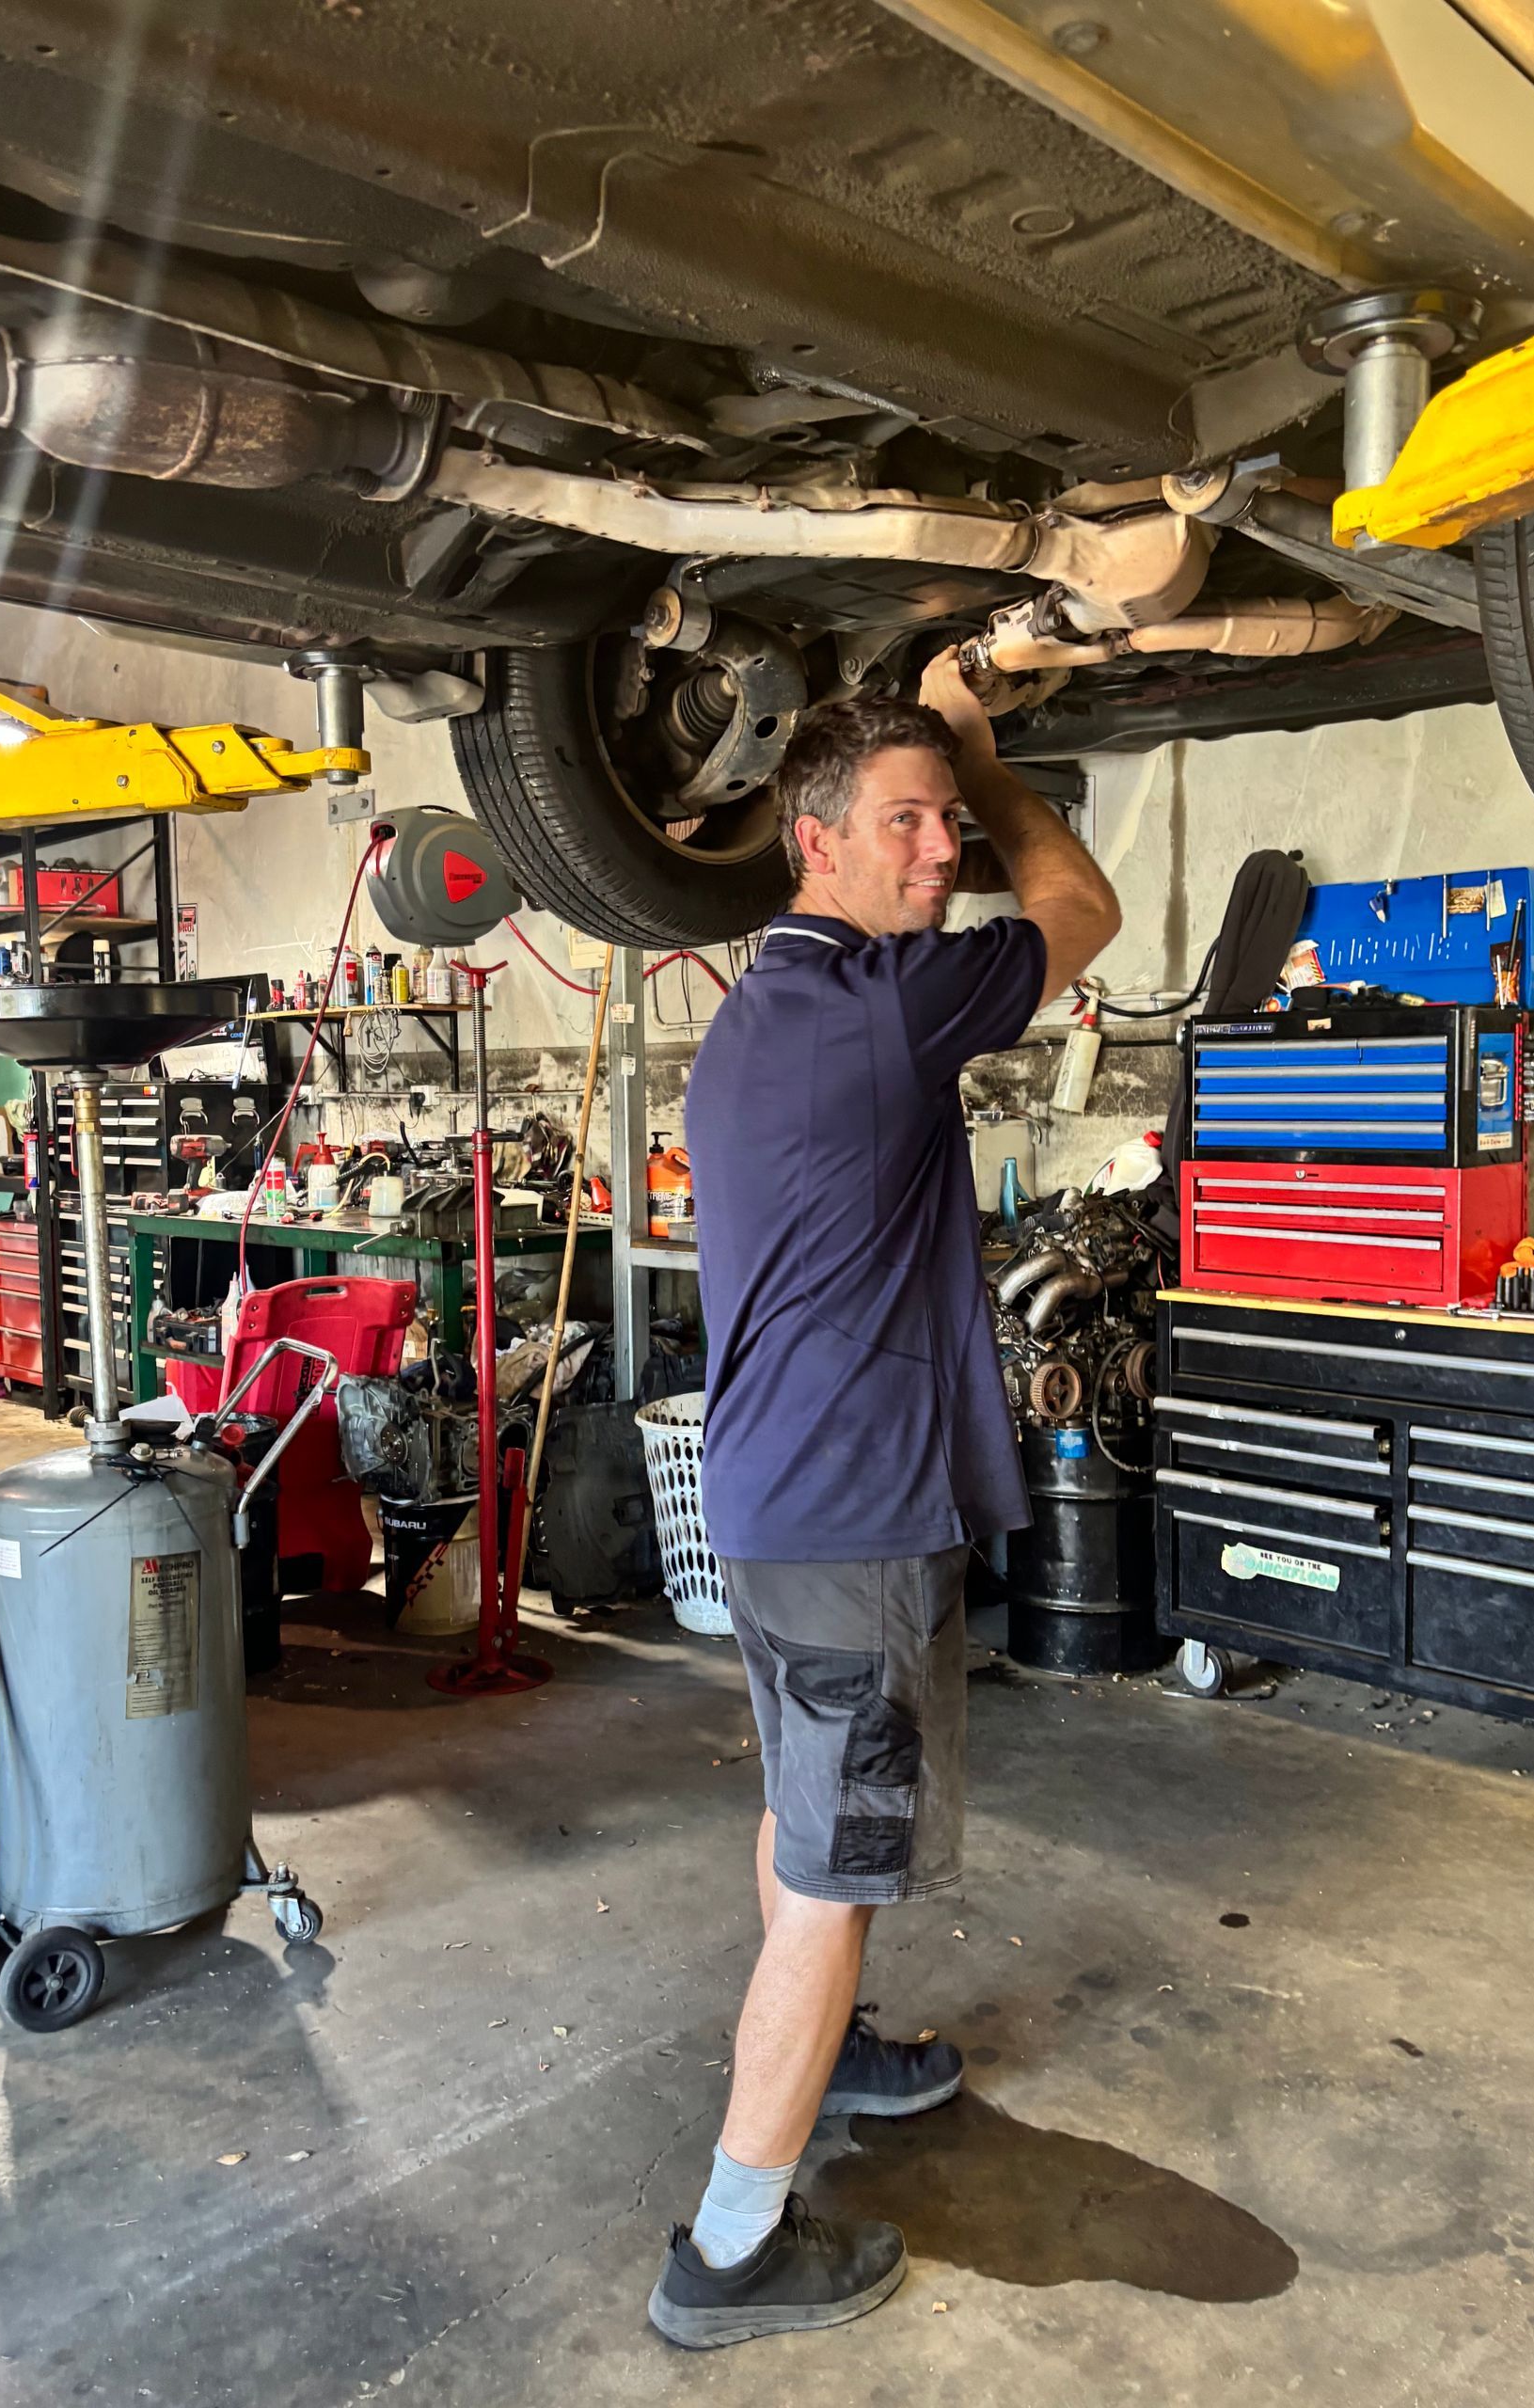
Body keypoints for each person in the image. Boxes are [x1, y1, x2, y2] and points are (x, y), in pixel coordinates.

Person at [649, 650, 1120, 2349]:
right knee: (839, 1874)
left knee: (803, 1819)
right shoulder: (881, 1002)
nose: (939, 852)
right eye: (906, 825)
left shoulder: (767, 1004)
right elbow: (1087, 904)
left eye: (943, 820)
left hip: (784, 1506)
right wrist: (990, 769)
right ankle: (728, 2247)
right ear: (814, 840)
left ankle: (832, 2045)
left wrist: (940, 779)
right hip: (849, 1521)